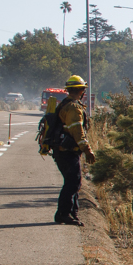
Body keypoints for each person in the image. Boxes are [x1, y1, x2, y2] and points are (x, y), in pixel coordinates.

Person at [49, 75, 94, 226]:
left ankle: (72, 213)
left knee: (74, 181)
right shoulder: (74, 108)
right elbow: (77, 131)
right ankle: (63, 214)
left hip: (63, 150)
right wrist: (87, 150)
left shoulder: (66, 104)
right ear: (82, 91)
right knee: (73, 182)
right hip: (67, 151)